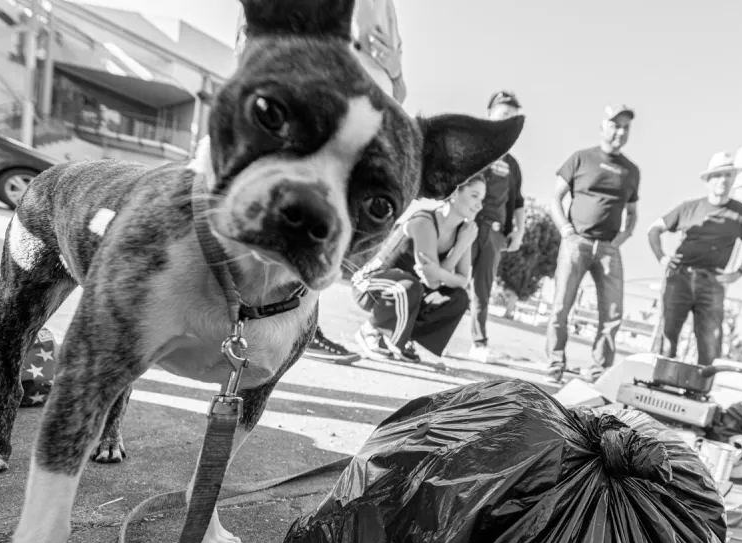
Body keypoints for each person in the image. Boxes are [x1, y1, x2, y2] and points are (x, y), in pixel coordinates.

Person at [225, 0, 407, 364]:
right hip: (295, 117)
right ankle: (225, 322)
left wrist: (396, 72)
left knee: (314, 236)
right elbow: (249, 49)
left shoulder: (382, 6)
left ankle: (301, 329)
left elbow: (396, 98)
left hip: (348, 140)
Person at [546, 105, 641, 382]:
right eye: (615, 125)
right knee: (561, 305)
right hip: (577, 242)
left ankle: (599, 371)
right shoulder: (580, 159)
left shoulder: (631, 171)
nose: (620, 131)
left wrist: (621, 239)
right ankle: (554, 363)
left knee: (612, 313)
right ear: (603, 127)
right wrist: (566, 230)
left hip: (609, 248)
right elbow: (555, 199)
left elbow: (633, 214)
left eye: (626, 127)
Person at [350, 174, 484, 364]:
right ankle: (372, 329)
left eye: (482, 199)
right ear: (454, 192)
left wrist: (444, 266)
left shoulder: (464, 232)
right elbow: (433, 281)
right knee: (411, 286)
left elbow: (463, 280)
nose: (480, 205)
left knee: (458, 298)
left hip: (410, 290)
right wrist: (460, 248)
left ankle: (404, 337)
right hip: (369, 285)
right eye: (474, 195)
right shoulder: (424, 221)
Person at [647, 151, 742, 366]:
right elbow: (653, 229)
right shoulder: (688, 208)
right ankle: (658, 380)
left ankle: (700, 389)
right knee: (668, 335)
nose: (723, 181)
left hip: (712, 282)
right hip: (680, 276)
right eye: (718, 175)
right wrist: (662, 257)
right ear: (708, 180)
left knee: (710, 340)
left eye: (728, 175)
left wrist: (737, 274)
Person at [467, 90, 526, 364]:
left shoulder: (512, 165)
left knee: (482, 290)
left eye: (512, 119)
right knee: (447, 280)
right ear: (489, 115)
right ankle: (418, 334)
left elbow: (517, 202)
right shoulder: (471, 148)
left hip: (492, 232)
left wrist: (519, 230)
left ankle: (479, 343)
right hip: (464, 224)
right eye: (503, 116)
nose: (506, 123)